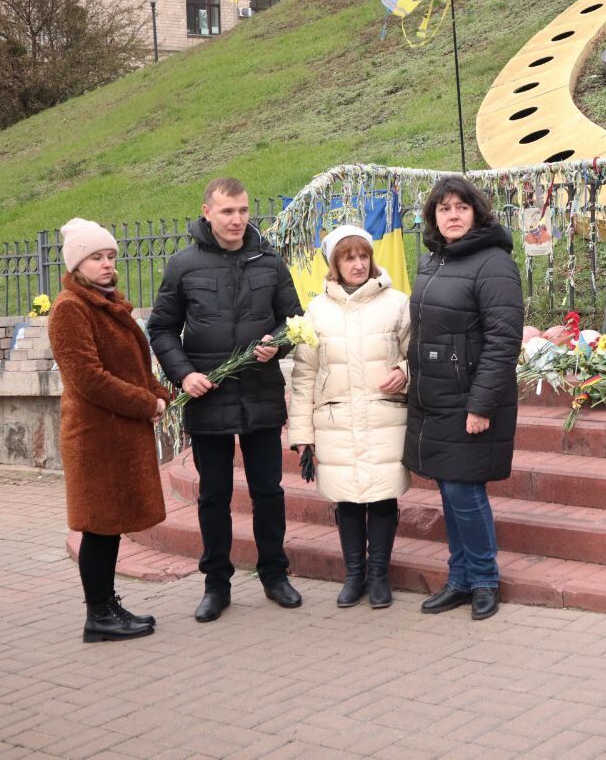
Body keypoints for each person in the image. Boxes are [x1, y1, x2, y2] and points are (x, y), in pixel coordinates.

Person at [148, 177, 305, 622]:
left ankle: (275, 575)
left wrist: (278, 344)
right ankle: (216, 584)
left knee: (268, 492)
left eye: (242, 210)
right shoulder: (183, 265)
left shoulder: (269, 263)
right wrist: (184, 374)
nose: (236, 220)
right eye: (227, 212)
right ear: (207, 213)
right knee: (213, 496)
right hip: (208, 395)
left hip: (260, 393)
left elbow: (293, 322)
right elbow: (161, 328)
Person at [404, 177, 524, 620]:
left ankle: (484, 579)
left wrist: (481, 404)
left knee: (464, 489)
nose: (452, 215)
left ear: (477, 213)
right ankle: (459, 579)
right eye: (443, 209)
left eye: (461, 207)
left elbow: (502, 341)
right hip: (432, 395)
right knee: (448, 489)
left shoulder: (493, 263)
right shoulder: (431, 260)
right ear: (433, 217)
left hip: (468, 397)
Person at [47, 218, 170, 642]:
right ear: (77, 265)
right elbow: (89, 378)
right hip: (95, 437)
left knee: (110, 523)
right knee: (98, 526)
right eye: (96, 257)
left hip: (118, 434)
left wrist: (159, 395)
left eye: (110, 256)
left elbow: (133, 365)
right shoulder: (70, 308)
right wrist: (145, 403)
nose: (106, 264)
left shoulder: (108, 303)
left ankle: (107, 605)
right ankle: (98, 614)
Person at [289, 225, 411, 609]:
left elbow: (419, 354)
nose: (358, 264)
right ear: (334, 265)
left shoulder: (397, 303)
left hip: (383, 415)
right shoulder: (317, 311)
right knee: (347, 500)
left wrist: (405, 371)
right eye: (348, 258)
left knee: (382, 497)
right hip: (337, 419)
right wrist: (301, 432)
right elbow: (304, 375)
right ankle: (354, 574)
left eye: (363, 257)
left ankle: (378, 576)